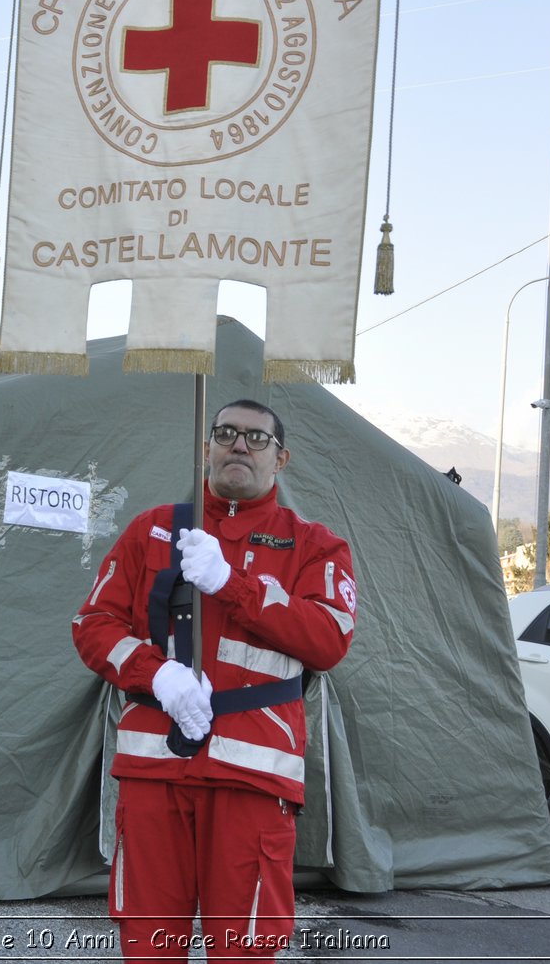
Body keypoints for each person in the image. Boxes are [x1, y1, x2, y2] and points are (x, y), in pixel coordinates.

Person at [72, 399, 357, 961]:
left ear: (282, 458)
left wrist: (234, 584)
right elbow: (93, 625)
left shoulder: (316, 547)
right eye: (225, 433)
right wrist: (159, 678)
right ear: (206, 450)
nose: (239, 445)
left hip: (253, 777)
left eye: (257, 438)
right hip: (155, 767)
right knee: (149, 947)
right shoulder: (152, 531)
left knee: (245, 949)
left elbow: (329, 640)